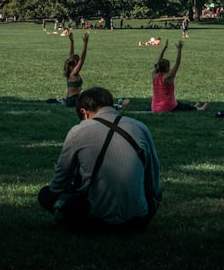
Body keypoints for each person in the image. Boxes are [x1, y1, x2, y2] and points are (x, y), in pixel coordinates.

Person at [38, 87, 162, 231]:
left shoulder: (78, 131)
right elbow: (153, 180)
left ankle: (69, 220)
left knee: (45, 195)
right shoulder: (140, 127)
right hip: (136, 221)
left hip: (94, 220)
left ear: (83, 112)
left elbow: (60, 182)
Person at [151, 40, 208, 113]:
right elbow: (177, 62)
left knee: (176, 102)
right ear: (167, 68)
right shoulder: (168, 77)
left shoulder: (154, 76)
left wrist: (164, 48)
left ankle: (194, 107)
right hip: (166, 107)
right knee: (178, 105)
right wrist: (179, 49)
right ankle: (200, 109)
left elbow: (158, 62)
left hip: (155, 107)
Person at [63, 32, 88, 107]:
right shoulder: (74, 72)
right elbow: (83, 58)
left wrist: (72, 42)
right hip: (74, 100)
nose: (79, 61)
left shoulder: (70, 71)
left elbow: (71, 56)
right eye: (78, 60)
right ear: (75, 63)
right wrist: (85, 44)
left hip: (70, 99)